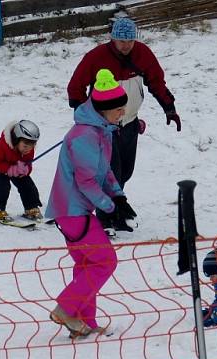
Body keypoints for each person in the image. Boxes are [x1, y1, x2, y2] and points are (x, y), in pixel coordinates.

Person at [45, 69, 137, 338]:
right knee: (104, 261)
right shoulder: (84, 136)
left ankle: (84, 322)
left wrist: (119, 197)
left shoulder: (100, 131)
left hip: (76, 210)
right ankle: (66, 308)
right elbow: (86, 181)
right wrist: (109, 207)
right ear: (105, 109)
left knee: (87, 265)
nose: (122, 113)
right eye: (119, 109)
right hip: (73, 210)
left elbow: (104, 171)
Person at [67, 17, 181, 231]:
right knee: (111, 172)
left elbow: (156, 81)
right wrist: (86, 117)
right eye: (121, 41)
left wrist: (169, 107)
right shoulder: (96, 57)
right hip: (103, 127)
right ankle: (106, 217)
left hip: (129, 122)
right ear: (112, 38)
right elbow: (75, 87)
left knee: (126, 171)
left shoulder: (143, 54)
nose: (126, 45)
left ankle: (114, 211)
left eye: (130, 41)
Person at [0, 120, 44, 222]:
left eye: (32, 146)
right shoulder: (2, 145)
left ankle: (31, 208)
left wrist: (25, 170)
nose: (28, 149)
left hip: (15, 168)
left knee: (27, 184)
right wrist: (8, 169)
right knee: (2, 185)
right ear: (16, 140)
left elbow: (28, 163)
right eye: (25, 146)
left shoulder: (28, 149)